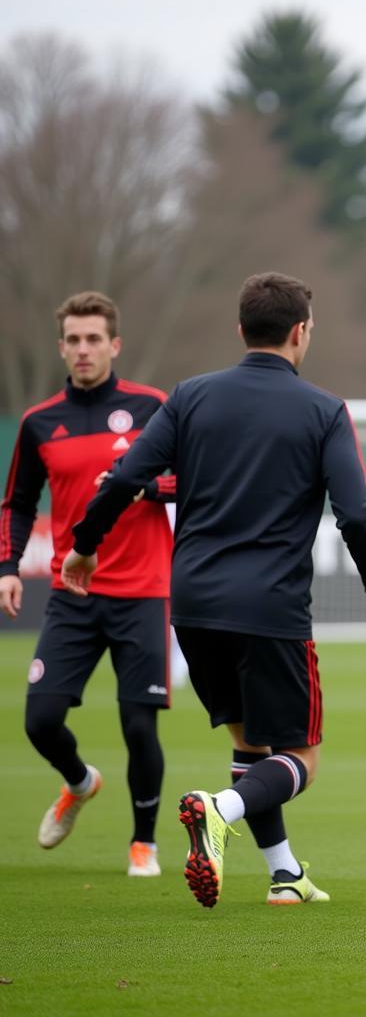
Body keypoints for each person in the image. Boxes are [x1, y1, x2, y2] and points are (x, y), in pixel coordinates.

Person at [61, 272, 366, 909]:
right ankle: (220, 808)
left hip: (190, 603)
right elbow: (356, 513)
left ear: (241, 329)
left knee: (250, 741)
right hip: (270, 608)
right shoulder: (324, 409)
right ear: (302, 331)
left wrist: (83, 547)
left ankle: (284, 875)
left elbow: (126, 477)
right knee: (300, 757)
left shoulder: (191, 396)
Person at [0, 291, 175, 877]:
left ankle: (143, 843)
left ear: (114, 345)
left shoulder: (154, 408)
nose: (83, 349)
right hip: (71, 596)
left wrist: (141, 485)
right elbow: (17, 504)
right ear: (61, 347)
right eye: (73, 340)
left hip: (143, 591)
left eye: (93, 338)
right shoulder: (38, 422)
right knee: (40, 721)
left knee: (137, 723)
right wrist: (8, 566)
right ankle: (79, 782)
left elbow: (197, 479)